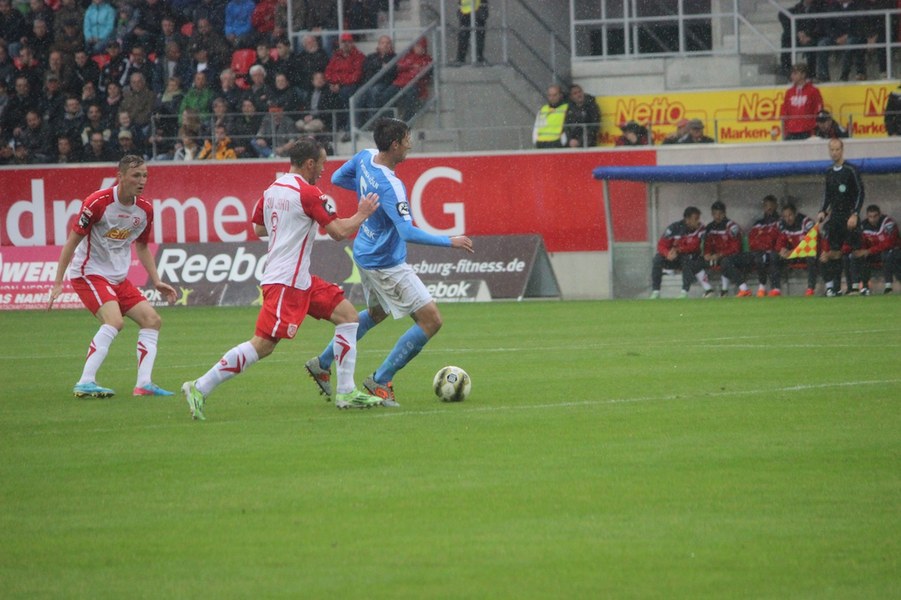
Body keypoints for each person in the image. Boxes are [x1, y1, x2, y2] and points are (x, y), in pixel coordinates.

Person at [182, 138, 383, 419]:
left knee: (348, 316)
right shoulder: (309, 193)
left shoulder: (273, 189)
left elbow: (259, 228)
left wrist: (288, 224)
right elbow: (339, 232)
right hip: (286, 281)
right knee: (263, 344)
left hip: (300, 279)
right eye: (322, 164)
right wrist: (362, 213)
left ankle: (346, 392)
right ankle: (200, 386)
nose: (323, 170)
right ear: (310, 163)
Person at [304, 117, 474, 407]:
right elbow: (407, 232)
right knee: (431, 320)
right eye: (407, 140)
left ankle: (322, 362)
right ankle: (380, 380)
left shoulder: (365, 157)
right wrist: (450, 241)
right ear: (395, 144)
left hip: (365, 252)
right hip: (386, 263)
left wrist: (367, 194)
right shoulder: (391, 186)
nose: (410, 145)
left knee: (377, 313)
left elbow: (338, 178)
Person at [48, 155, 177, 398]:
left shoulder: (145, 210)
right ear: (120, 176)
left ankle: (144, 385)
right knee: (115, 321)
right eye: (136, 175)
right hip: (89, 273)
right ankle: (85, 381)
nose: (142, 181)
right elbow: (71, 242)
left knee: (152, 320)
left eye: (145, 175)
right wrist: (57, 282)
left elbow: (142, 246)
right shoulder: (97, 202)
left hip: (117, 278)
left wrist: (156, 279)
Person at [818, 138, 864, 297]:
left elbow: (860, 193)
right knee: (835, 252)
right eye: (832, 149)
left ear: (842, 150)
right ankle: (836, 288)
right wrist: (823, 211)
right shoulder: (829, 171)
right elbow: (827, 195)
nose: (834, 152)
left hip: (849, 215)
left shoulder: (851, 170)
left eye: (837, 149)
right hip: (835, 217)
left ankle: (857, 287)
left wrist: (855, 213)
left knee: (855, 251)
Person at [649, 206, 713, 299]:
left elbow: (695, 246)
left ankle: (684, 292)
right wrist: (667, 253)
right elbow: (661, 245)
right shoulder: (674, 228)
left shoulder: (701, 229)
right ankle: (656, 292)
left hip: (693, 258)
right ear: (687, 220)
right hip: (675, 258)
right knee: (657, 259)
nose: (698, 221)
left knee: (687, 258)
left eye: (698, 218)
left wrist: (678, 250)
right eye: (696, 219)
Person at [703, 201, 753, 296]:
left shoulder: (732, 226)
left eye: (720, 214)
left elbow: (735, 248)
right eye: (715, 214)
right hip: (719, 258)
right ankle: (711, 290)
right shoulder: (710, 227)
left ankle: (744, 289)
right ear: (712, 214)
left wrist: (720, 254)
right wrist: (707, 254)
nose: (717, 216)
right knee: (694, 261)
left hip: (739, 256)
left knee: (726, 262)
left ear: (724, 213)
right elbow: (707, 244)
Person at [850, 204, 900, 295]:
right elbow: (861, 242)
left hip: (893, 252)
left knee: (887, 255)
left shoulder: (888, 223)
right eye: (870, 217)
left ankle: (888, 288)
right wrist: (862, 251)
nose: (873, 219)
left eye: (875, 216)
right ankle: (859, 288)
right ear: (867, 216)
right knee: (855, 256)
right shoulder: (863, 225)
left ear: (880, 214)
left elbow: (889, 243)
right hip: (875, 253)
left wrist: (869, 251)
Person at [776, 200, 818, 296]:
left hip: (807, 253)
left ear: (795, 214)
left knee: (811, 257)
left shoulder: (806, 222)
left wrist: (793, 251)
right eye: (785, 216)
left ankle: (810, 288)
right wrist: (782, 250)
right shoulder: (783, 224)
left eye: (790, 215)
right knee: (774, 257)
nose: (788, 219)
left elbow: (812, 243)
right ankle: (776, 288)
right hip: (794, 255)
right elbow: (780, 241)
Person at [746, 195, 782, 296]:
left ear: (776, 206)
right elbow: (752, 241)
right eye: (766, 205)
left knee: (772, 256)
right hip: (759, 251)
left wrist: (764, 240)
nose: (769, 208)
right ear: (763, 207)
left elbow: (776, 238)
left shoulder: (780, 221)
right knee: (756, 257)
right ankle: (761, 287)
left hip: (775, 251)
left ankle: (775, 288)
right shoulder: (758, 223)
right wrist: (763, 244)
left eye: (771, 205)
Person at [779, 0, 824, 77]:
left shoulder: (821, 7)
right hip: (799, 36)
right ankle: (786, 71)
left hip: (814, 37)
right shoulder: (798, 7)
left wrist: (809, 35)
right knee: (786, 38)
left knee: (812, 46)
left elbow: (822, 26)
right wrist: (798, 33)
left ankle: (811, 74)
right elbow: (782, 14)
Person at [780, 63, 823, 140]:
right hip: (791, 131)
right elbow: (784, 113)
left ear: (803, 75)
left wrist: (814, 129)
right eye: (792, 73)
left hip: (807, 130)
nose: (792, 76)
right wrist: (784, 131)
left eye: (795, 73)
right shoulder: (789, 92)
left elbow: (818, 111)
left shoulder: (813, 91)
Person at [564, 84, 600, 148]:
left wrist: (580, 141)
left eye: (580, 91)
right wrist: (570, 140)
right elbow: (566, 126)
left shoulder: (591, 106)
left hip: (588, 144)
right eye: (575, 93)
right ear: (571, 97)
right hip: (572, 143)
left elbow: (594, 126)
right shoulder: (569, 108)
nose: (579, 95)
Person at [532, 84, 568, 149]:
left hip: (557, 142)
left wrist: (563, 141)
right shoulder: (543, 109)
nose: (552, 98)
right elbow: (536, 127)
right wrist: (535, 140)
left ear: (560, 95)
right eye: (550, 95)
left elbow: (568, 127)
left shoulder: (566, 108)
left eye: (555, 95)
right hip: (541, 142)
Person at [455, 0, 488, 65]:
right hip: (471, 12)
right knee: (467, 37)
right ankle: (477, 58)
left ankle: (462, 59)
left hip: (474, 12)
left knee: (471, 36)